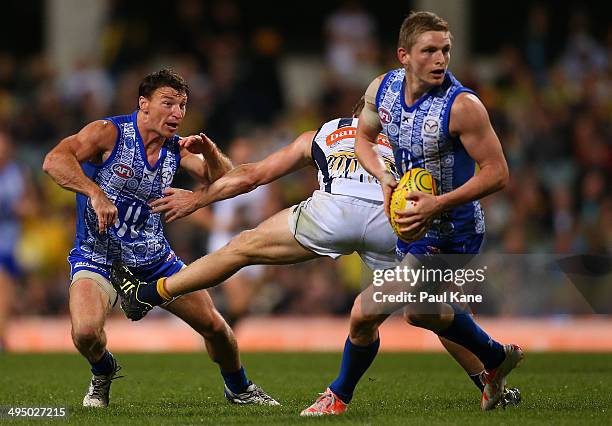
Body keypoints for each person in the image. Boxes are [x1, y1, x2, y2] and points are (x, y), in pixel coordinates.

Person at [109, 98, 521, 414]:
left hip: (334, 211)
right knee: (426, 309)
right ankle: (485, 377)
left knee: (241, 247)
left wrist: (198, 199)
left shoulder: (323, 133)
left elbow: (253, 175)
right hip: (390, 222)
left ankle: (154, 291)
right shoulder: (405, 141)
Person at [42, 68, 278, 407]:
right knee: (85, 333)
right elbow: (54, 161)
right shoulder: (109, 133)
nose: (177, 113)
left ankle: (239, 388)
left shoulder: (176, 149)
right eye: (168, 103)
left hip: (155, 260)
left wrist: (209, 151)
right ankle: (103, 370)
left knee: (216, 327)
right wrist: (95, 193)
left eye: (182, 105)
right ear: (144, 104)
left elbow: (227, 181)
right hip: (98, 256)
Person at [352, 11, 523, 412]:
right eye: (428, 50)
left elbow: (498, 174)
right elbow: (363, 138)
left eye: (445, 50)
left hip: (455, 230)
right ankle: (494, 368)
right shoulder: (383, 89)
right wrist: (382, 174)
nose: (440, 59)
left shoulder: (463, 107)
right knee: (425, 312)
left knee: (369, 310)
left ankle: (337, 395)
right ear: (404, 56)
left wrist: (438, 204)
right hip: (412, 224)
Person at [0, 130, 27, 351]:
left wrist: (25, 209)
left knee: (4, 286)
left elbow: (31, 205)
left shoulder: (16, 173)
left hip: (7, 242)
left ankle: (1, 335)